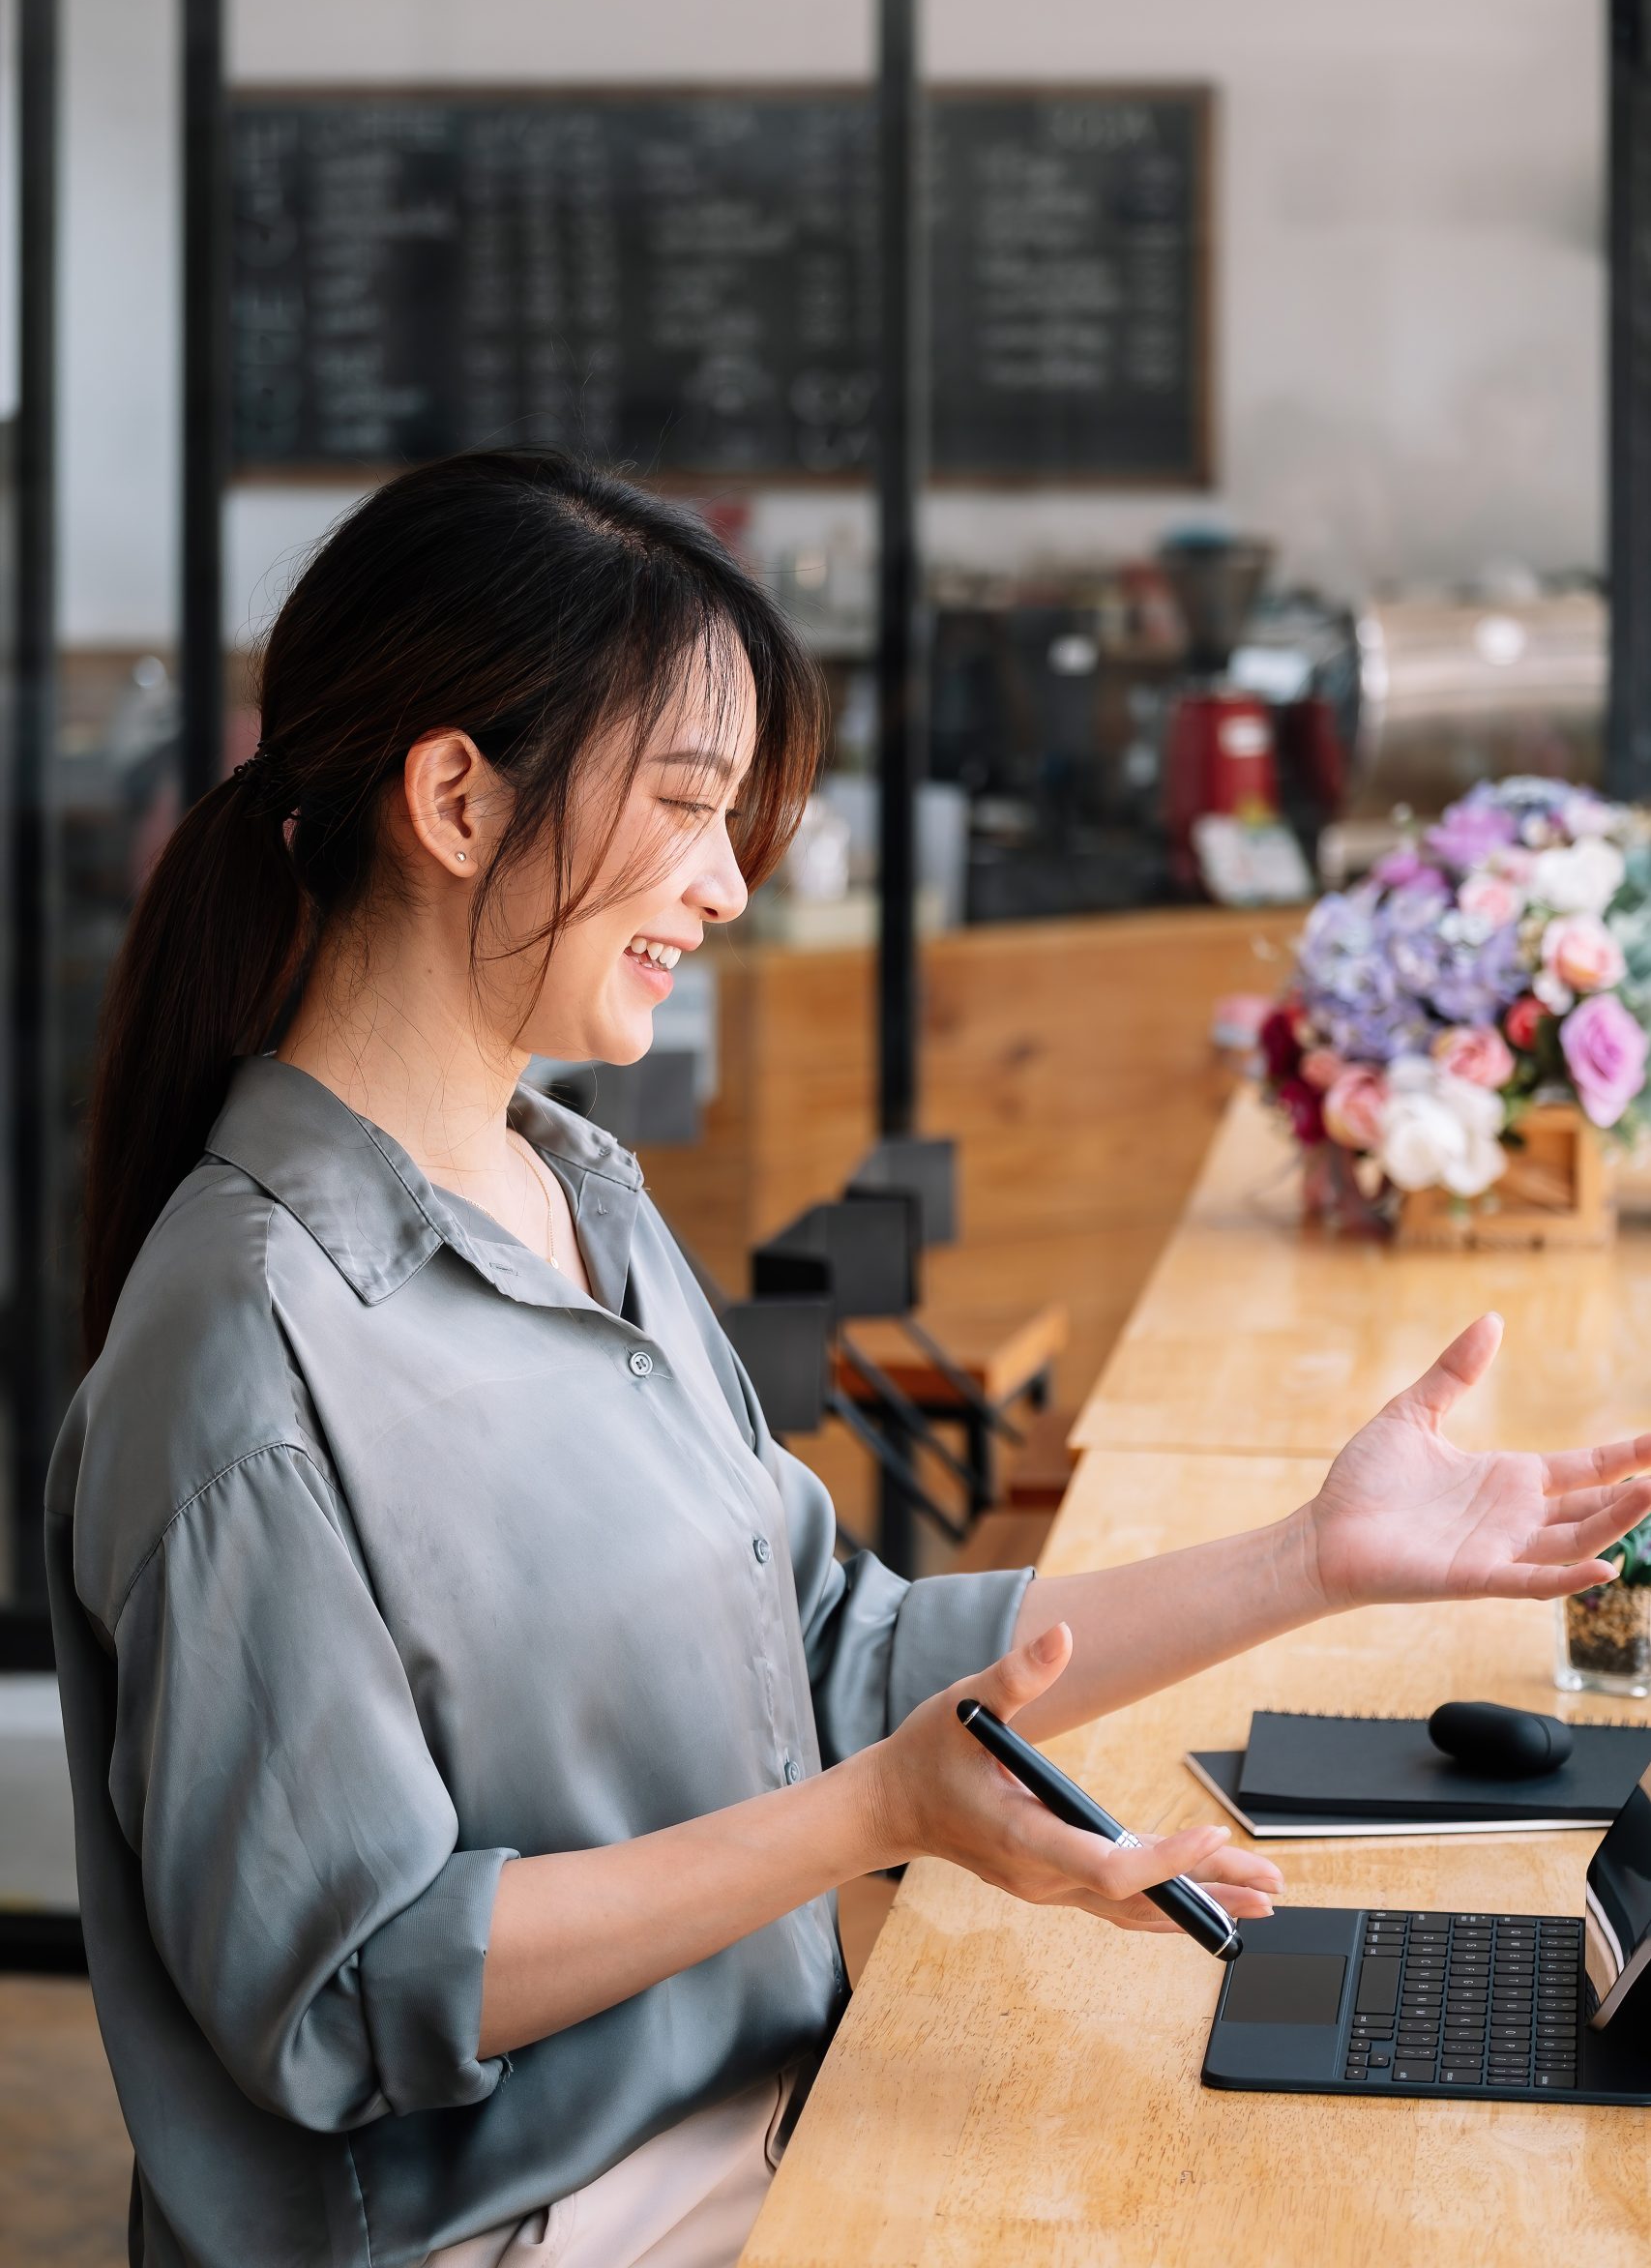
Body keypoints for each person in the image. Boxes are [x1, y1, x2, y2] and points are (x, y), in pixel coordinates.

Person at [46, 450, 1651, 2268]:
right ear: (455, 800)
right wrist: (874, 1816)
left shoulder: (580, 1196)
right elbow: (343, 1997)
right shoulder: (246, 1352)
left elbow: (836, 1653)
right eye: (687, 804)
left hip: (766, 2136)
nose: (729, 885)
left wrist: (1316, 1559)